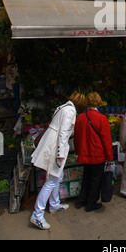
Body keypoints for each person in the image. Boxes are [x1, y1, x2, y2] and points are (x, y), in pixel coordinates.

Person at [30, 91, 86, 230]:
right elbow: (64, 133)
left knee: (56, 176)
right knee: (51, 180)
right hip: (55, 147)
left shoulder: (62, 108)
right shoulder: (70, 111)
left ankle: (54, 204)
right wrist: (60, 154)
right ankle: (37, 214)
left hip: (50, 143)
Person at [74, 92, 113, 212]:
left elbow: (77, 137)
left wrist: (78, 151)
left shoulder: (80, 118)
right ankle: (92, 202)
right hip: (97, 154)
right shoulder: (102, 119)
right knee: (96, 179)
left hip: (85, 153)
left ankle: (82, 199)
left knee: (86, 176)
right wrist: (109, 156)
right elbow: (106, 140)